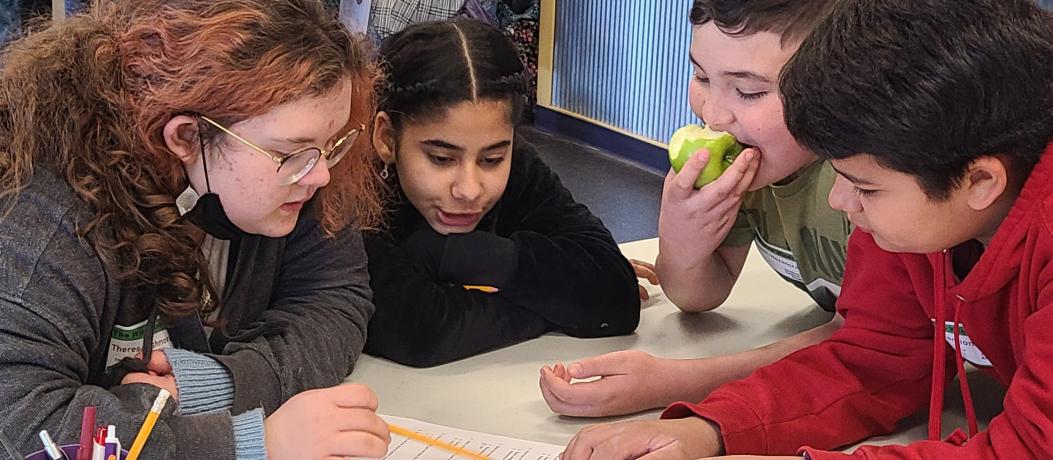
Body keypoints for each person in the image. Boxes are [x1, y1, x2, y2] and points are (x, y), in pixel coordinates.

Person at [560, 0, 1053, 457]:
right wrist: (710, 429)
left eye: (865, 187)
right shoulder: (917, 215)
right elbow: (871, 359)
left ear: (981, 181)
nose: (841, 200)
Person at [0, 1, 390, 458]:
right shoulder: (45, 223)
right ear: (186, 138)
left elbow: (335, 300)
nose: (321, 174)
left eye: (332, 143)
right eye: (293, 153)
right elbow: (27, 427)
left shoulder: (297, 166)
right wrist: (249, 444)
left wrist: (221, 384)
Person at [540, 0, 847, 418]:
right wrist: (680, 241)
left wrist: (678, 382)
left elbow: (870, 342)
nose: (713, 116)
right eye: (702, 76)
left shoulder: (863, 184)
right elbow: (699, 296)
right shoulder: (757, 168)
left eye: (749, 91)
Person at [363, 18, 640, 367]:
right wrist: (557, 305)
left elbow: (616, 295)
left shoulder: (520, 168)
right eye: (441, 159)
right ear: (387, 139)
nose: (468, 189)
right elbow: (416, 330)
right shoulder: (354, 193)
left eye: (492, 159)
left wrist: (458, 255)